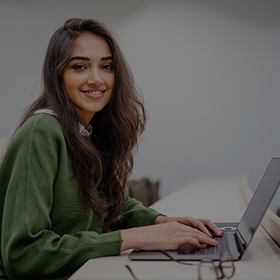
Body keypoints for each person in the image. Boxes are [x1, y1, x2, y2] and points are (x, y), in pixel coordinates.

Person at [0, 18, 222, 280]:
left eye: (106, 66)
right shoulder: (42, 132)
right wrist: (137, 237)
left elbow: (114, 206)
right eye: (80, 66)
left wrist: (161, 222)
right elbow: (25, 255)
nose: (97, 79)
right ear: (57, 74)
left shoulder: (87, 131)